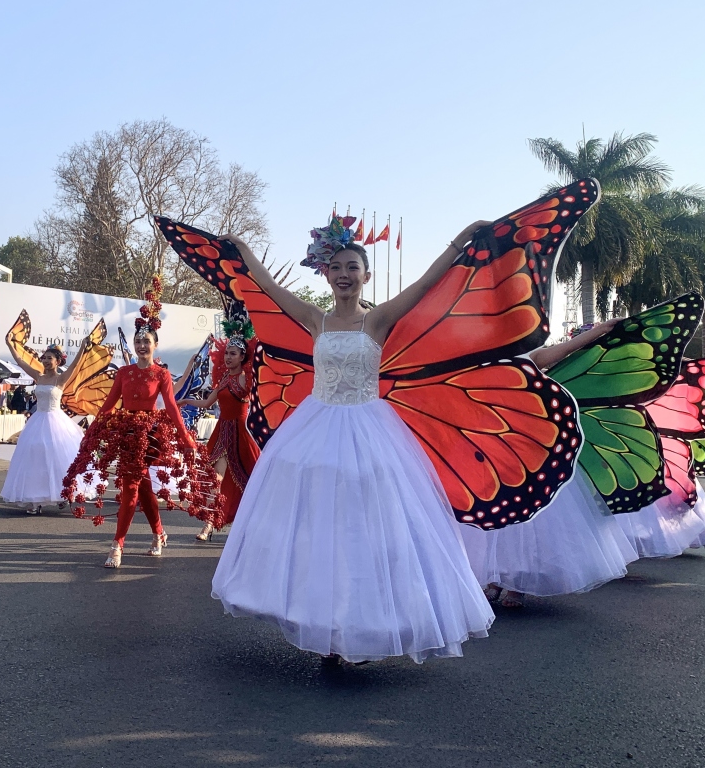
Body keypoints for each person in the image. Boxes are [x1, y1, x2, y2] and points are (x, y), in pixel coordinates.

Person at [206, 220, 496, 665]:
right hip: (315, 433)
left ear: (366, 275)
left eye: (353, 267)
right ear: (326, 274)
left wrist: (462, 239)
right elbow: (264, 287)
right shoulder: (314, 319)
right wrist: (243, 249)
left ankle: (357, 625)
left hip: (369, 435)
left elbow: (425, 283)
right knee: (318, 534)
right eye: (337, 266)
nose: (344, 273)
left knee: (362, 534)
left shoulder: (376, 320)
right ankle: (321, 621)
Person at [457, 320, 639, 607]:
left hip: (527, 440)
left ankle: (517, 583)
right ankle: (491, 578)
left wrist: (596, 332)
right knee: (492, 513)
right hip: (485, 441)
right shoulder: (469, 355)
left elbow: (560, 351)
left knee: (528, 517)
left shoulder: (523, 351)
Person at [62, 278, 217, 568]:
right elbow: (108, 406)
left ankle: (117, 545)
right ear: (133, 345)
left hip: (150, 437)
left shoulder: (161, 375)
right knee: (140, 487)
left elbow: (171, 408)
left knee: (134, 486)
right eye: (138, 341)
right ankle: (157, 534)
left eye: (147, 341)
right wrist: (92, 430)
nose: (142, 345)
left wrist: (186, 441)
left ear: (155, 345)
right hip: (126, 435)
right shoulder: (124, 373)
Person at [179, 325, 260, 542]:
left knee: (251, 481)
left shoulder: (246, 378)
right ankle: (209, 524)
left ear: (243, 357)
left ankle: (250, 524)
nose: (228, 357)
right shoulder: (224, 379)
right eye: (226, 353)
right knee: (215, 479)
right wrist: (185, 400)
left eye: (233, 354)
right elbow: (207, 402)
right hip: (222, 432)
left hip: (242, 435)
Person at [1, 336, 93, 514]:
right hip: (37, 421)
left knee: (58, 459)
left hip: (56, 422)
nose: (45, 360)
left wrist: (82, 346)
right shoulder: (38, 376)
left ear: (57, 361)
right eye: (43, 358)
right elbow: (20, 361)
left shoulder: (61, 379)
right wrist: (10, 345)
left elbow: (75, 364)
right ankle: (35, 501)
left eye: (49, 358)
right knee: (35, 459)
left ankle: (63, 493)